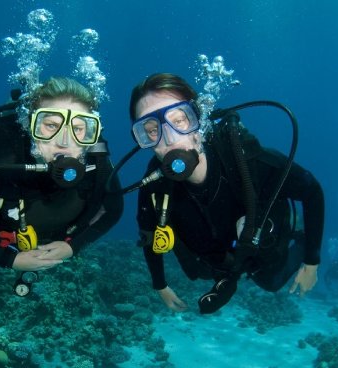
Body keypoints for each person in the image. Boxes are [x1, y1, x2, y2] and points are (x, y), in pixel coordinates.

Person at [129, 73, 324, 313]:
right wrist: (160, 285)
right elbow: (149, 237)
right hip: (219, 262)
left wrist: (312, 262)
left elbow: (312, 190)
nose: (168, 139)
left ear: (197, 120)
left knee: (272, 281)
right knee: (202, 271)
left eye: (179, 120)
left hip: (262, 251)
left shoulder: (245, 157)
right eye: (150, 131)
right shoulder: (154, 188)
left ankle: (295, 230)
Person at [0, 77, 123, 286]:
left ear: (91, 132)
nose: (64, 141)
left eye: (79, 128)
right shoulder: (0, 164)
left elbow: (113, 211)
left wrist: (73, 246)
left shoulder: (98, 166)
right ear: (31, 126)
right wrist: (10, 259)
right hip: (3, 240)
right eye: (51, 125)